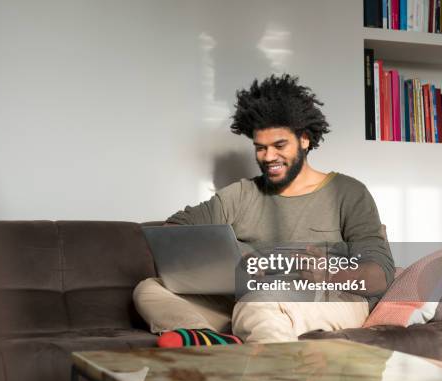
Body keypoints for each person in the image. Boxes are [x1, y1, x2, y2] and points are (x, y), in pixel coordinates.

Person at [134, 74, 394, 345]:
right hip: (249, 299)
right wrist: (240, 261)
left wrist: (331, 274)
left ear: (304, 139)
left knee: (261, 302)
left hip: (330, 298)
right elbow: (174, 230)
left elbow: (380, 274)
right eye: (260, 148)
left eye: (279, 145)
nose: (268, 157)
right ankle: (211, 339)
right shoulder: (242, 194)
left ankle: (274, 376)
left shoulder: (348, 192)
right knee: (149, 290)